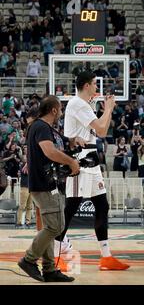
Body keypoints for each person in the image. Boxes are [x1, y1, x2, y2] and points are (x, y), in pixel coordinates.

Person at [54, 71, 130, 271]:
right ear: (86, 85)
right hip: (79, 158)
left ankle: (106, 257)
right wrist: (109, 109)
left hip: (91, 159)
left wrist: (107, 111)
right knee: (71, 207)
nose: (97, 87)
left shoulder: (84, 105)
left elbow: (101, 130)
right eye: (95, 84)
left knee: (102, 205)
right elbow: (103, 130)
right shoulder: (77, 103)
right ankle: (55, 254)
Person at [18, 96, 80, 282]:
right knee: (56, 226)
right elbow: (50, 152)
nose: (61, 112)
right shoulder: (41, 127)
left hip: (50, 184)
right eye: (60, 109)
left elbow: (57, 147)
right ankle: (29, 260)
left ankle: (49, 269)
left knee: (50, 227)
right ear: (54, 110)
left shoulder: (47, 129)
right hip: (44, 185)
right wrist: (71, 162)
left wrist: (71, 142)